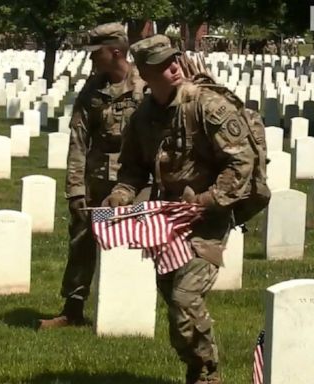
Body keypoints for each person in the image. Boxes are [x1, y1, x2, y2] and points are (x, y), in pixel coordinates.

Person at [101, 35, 260, 384]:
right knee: (175, 308)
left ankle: (207, 375)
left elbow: (241, 162)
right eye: (161, 66)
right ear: (145, 72)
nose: (173, 69)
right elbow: (132, 169)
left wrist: (206, 201)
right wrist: (121, 195)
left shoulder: (207, 106)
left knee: (185, 299)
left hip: (209, 217)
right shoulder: (142, 116)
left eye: (174, 61)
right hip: (169, 222)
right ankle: (195, 367)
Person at [39, 22, 146, 329]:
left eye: (95, 53)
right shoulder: (93, 88)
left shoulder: (144, 86)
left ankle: (129, 312)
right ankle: (73, 308)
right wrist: (75, 189)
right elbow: (79, 139)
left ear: (115, 52)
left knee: (134, 246)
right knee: (82, 242)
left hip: (137, 182)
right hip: (96, 179)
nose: (90, 59)